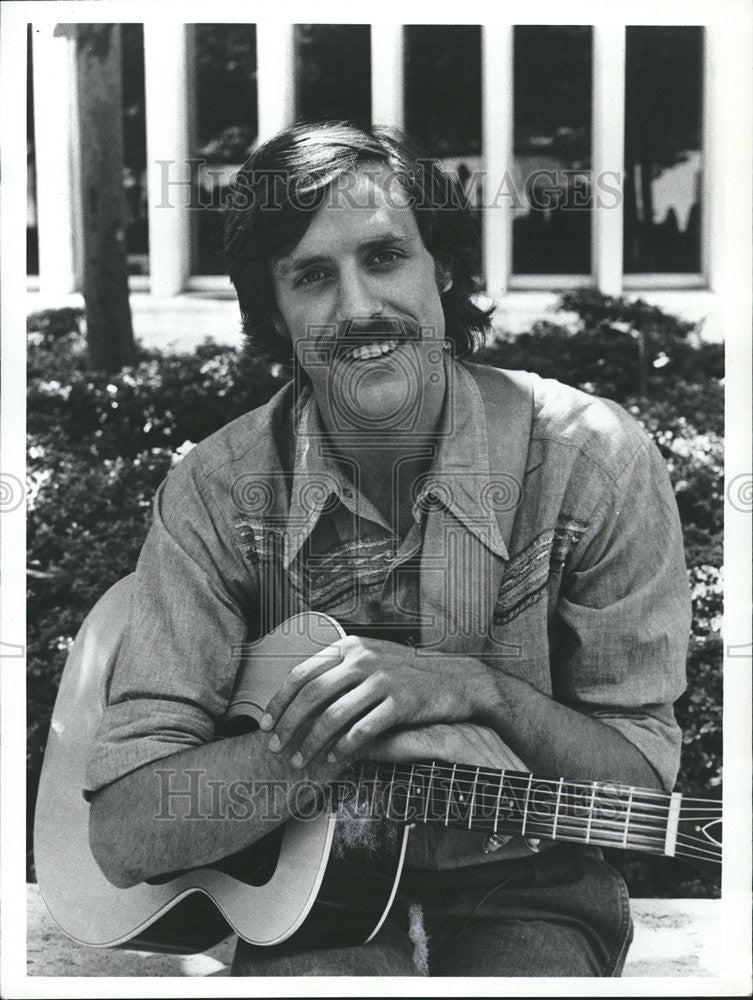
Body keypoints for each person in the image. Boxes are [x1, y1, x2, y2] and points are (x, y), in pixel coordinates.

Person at [85, 122, 691, 977]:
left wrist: (474, 690)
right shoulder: (218, 492)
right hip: (309, 895)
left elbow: (637, 793)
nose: (358, 308)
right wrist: (335, 739)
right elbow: (124, 833)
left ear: (439, 265)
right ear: (273, 310)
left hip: (526, 878)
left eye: (383, 257)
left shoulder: (591, 460)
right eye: (311, 277)